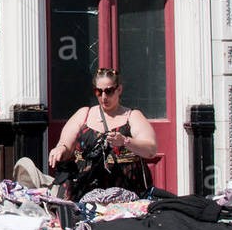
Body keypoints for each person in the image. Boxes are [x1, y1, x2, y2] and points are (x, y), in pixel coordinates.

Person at [47, 68, 158, 196]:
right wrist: (60, 149)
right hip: (85, 188)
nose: (104, 97)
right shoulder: (84, 114)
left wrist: (125, 141)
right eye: (98, 92)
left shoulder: (132, 116)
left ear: (119, 89)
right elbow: (66, 143)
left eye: (109, 91)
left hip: (125, 191)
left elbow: (151, 150)